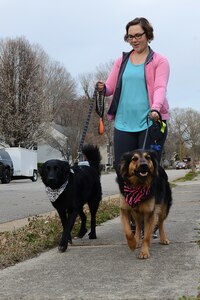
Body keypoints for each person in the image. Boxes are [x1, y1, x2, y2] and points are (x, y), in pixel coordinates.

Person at [97, 17, 170, 237]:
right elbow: (111, 87)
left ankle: (150, 220)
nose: (134, 39)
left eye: (138, 35)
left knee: (148, 171)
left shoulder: (159, 61)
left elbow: (159, 87)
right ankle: (131, 217)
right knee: (124, 173)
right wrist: (103, 88)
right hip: (123, 123)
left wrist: (155, 108)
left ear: (148, 34)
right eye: (130, 36)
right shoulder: (122, 61)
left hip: (150, 122)